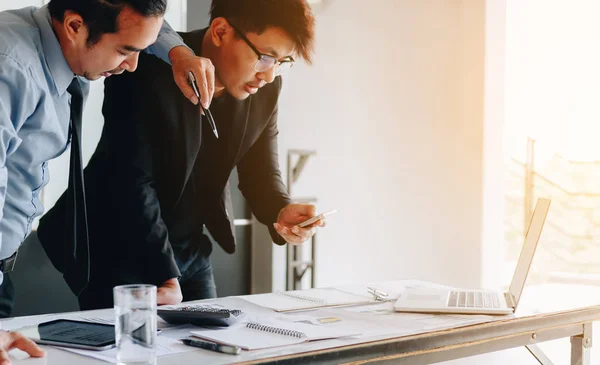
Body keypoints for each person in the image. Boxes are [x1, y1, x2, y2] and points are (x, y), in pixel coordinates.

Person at [39, 0, 321, 310]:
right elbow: (133, 180)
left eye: (283, 62)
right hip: (117, 243)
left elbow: (261, 172)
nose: (269, 75)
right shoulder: (146, 64)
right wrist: (163, 273)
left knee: (214, 351)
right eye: (266, 58)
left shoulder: (266, 87)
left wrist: (281, 210)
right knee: (133, 355)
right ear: (221, 31)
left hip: (190, 250)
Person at [0, 0, 217, 359]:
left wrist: (177, 52)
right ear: (74, 26)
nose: (132, 66)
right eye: (125, 51)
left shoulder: (69, 27)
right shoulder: (11, 67)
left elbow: (136, 21)